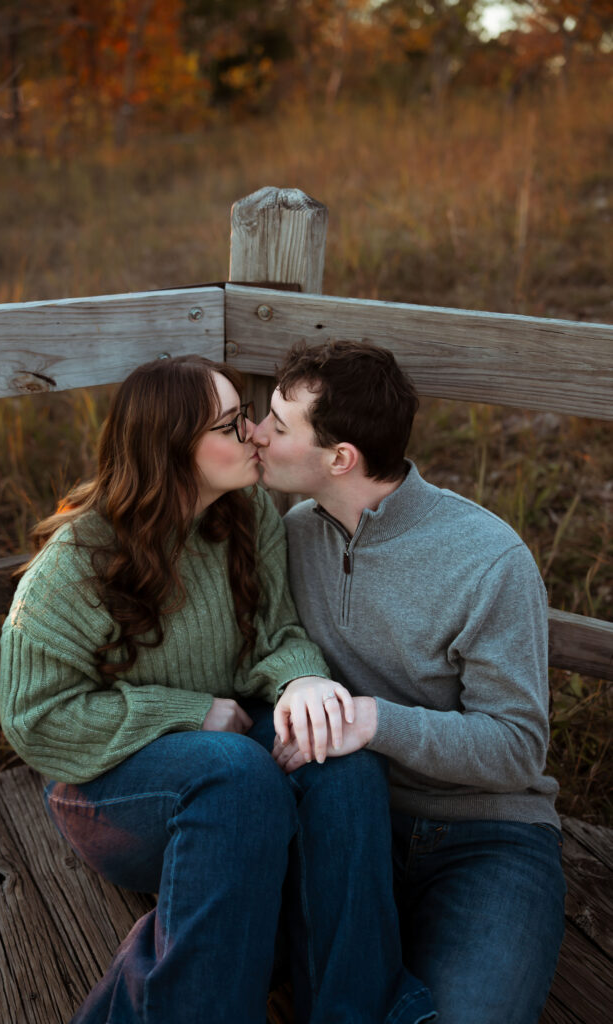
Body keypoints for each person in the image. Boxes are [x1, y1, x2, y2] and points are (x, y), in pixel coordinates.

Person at [0, 354, 435, 1024]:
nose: (254, 435)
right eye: (232, 425)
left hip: (228, 760)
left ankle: (355, 1010)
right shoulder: (79, 564)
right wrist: (190, 712)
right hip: (109, 789)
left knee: (337, 750)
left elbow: (275, 634)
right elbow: (34, 719)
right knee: (235, 775)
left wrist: (304, 679)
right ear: (172, 449)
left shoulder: (246, 512)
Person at [253, 339, 566, 1024]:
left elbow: (516, 750)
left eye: (277, 425)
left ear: (340, 459)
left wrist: (373, 721)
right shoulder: (295, 530)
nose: (257, 434)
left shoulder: (486, 561)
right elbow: (270, 647)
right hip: (348, 819)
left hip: (486, 836)